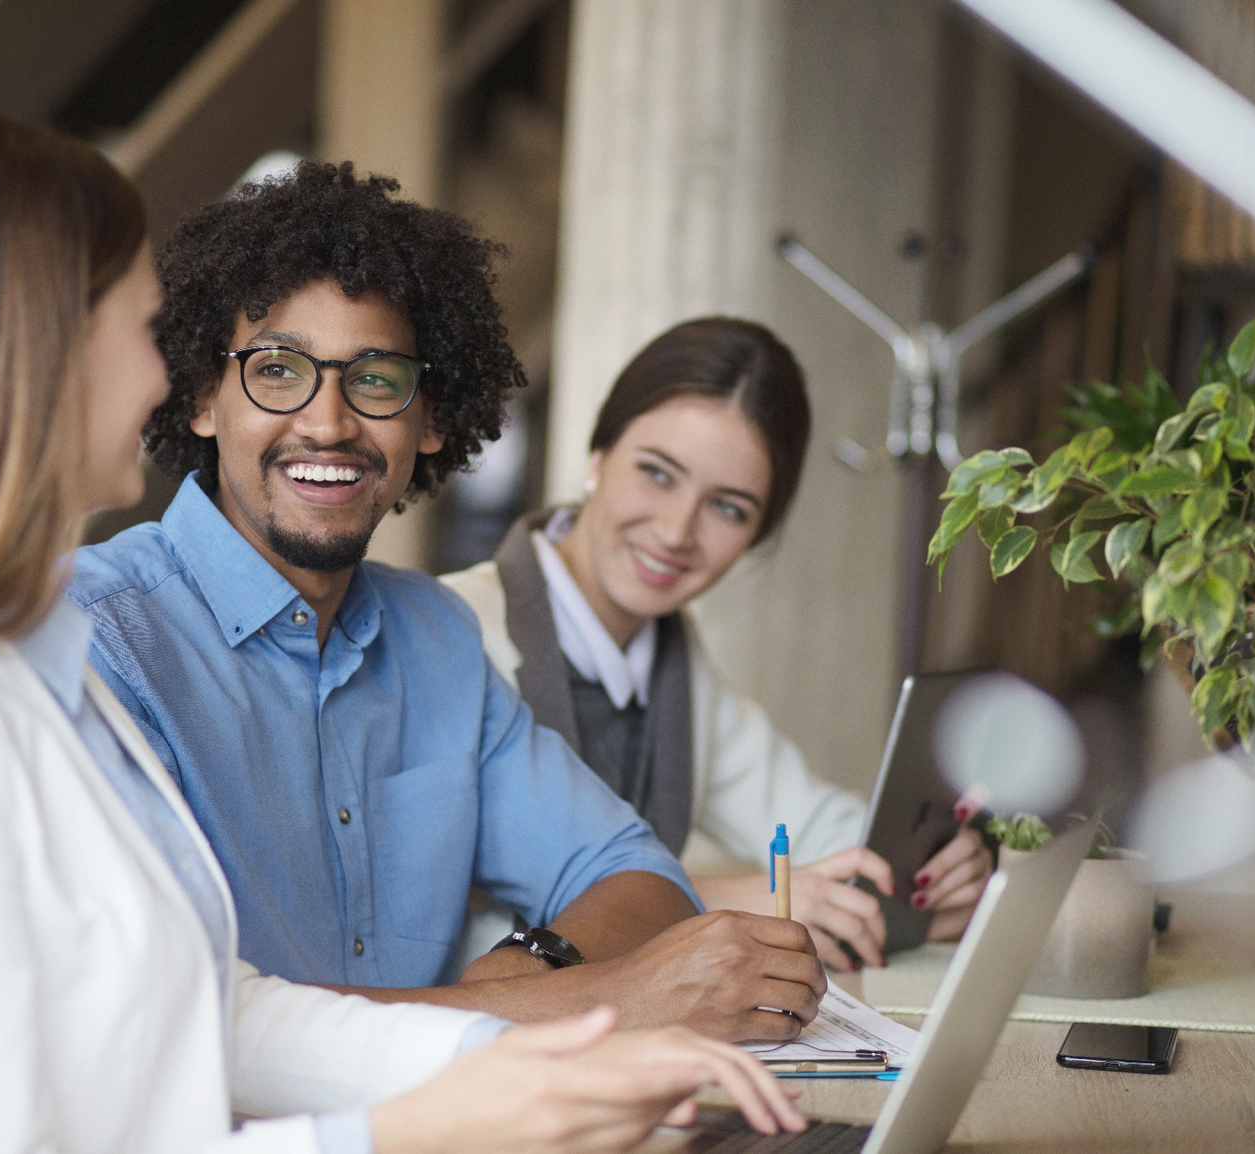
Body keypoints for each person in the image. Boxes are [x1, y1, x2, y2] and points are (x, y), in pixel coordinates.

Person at [0, 117, 806, 1154]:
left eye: (373, 379)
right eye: (139, 331)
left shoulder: (30, 673)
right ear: (32, 356)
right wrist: (412, 1125)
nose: (155, 373)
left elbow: (216, 1009)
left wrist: (515, 1060)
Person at [67, 161, 826, 1040]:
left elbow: (635, 872)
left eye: (378, 379)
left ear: (431, 419)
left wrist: (533, 965)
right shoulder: (99, 640)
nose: (326, 423)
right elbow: (177, 1026)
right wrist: (569, 1001)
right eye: (278, 371)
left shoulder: (437, 641)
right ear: (203, 395)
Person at [441, 318, 993, 973]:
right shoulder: (449, 628)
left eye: (728, 508)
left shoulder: (672, 662)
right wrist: (714, 900)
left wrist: (940, 862)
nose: (676, 531)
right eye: (656, 472)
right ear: (597, 456)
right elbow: (437, 900)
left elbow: (820, 828)